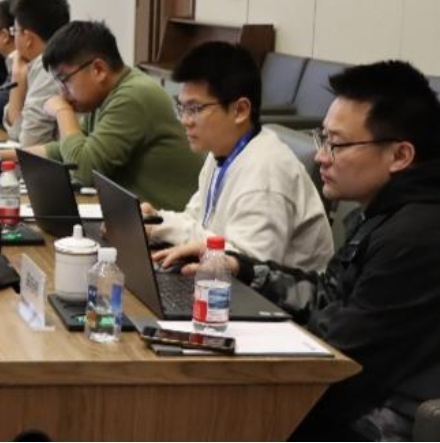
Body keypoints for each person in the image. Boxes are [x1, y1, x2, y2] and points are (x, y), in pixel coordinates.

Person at [155, 60, 440, 441]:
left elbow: (343, 355)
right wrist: (241, 268)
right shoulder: (383, 213)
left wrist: (244, 343)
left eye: (336, 144)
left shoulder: (414, 235)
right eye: (322, 139)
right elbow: (327, 295)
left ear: (400, 156)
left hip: (376, 421)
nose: (321, 156)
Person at [142, 42, 332, 271]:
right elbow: (196, 219)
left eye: (195, 109)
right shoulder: (222, 150)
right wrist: (155, 221)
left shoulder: (266, 172)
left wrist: (164, 229)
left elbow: (248, 266)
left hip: (272, 294)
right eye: (181, 108)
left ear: (240, 110)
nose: (184, 120)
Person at [29, 20, 201, 209]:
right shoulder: (103, 96)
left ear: (98, 70)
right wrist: (9, 156)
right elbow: (72, 147)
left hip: (168, 220)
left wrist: (62, 112)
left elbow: (83, 170)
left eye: (65, 81)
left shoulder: (133, 96)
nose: (62, 94)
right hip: (138, 216)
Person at [4, 0, 70, 146]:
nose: (14, 37)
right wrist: (18, 78)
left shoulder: (47, 68)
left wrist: (17, 81)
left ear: (28, 38)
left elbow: (29, 142)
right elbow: (16, 132)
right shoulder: (43, 62)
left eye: (14, 31)